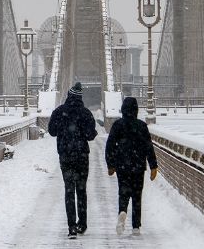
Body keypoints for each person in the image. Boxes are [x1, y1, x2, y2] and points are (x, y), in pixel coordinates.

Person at [48, 82, 97, 239]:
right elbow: (90, 135)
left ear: (68, 96)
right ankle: (82, 224)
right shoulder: (86, 113)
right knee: (81, 190)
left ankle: (71, 227)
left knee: (69, 190)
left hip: (66, 156)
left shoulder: (59, 112)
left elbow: (52, 131)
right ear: (80, 97)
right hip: (82, 156)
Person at [105, 96, 158, 236]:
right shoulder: (141, 126)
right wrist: (153, 165)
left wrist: (111, 164)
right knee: (136, 195)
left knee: (123, 192)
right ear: (136, 110)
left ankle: (122, 211)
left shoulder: (118, 125)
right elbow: (148, 147)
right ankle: (135, 226)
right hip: (138, 166)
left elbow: (110, 146)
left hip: (122, 165)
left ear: (123, 109)